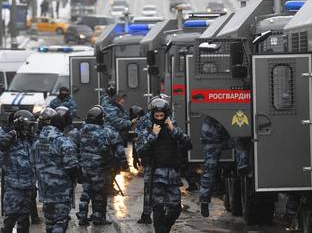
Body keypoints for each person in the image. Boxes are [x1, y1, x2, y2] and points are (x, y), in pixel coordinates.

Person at [136, 98, 191, 233]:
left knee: (176, 208)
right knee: (158, 207)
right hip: (156, 175)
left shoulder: (173, 128)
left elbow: (188, 144)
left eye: (162, 116)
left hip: (172, 174)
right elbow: (141, 150)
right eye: (157, 116)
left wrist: (174, 130)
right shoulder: (148, 130)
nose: (159, 118)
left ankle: (164, 229)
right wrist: (153, 135)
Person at [77, 105, 129, 226]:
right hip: (99, 168)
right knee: (99, 193)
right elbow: (106, 149)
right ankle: (98, 218)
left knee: (86, 193)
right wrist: (115, 162)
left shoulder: (82, 130)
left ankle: (82, 216)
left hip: (85, 167)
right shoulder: (103, 132)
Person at [33, 107, 79, 233]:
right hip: (61, 192)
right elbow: (71, 167)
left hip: (45, 191)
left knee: (49, 223)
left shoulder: (37, 142)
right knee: (60, 223)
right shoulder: (63, 142)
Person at [0, 110, 37, 233]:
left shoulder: (28, 139)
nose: (32, 128)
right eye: (30, 125)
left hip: (28, 186)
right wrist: (10, 137)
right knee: (10, 219)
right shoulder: (7, 136)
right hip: (13, 187)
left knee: (24, 220)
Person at [199, 115, 231, 217]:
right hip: (216, 136)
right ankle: (204, 201)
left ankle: (204, 201)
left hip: (212, 136)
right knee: (209, 171)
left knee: (209, 170)